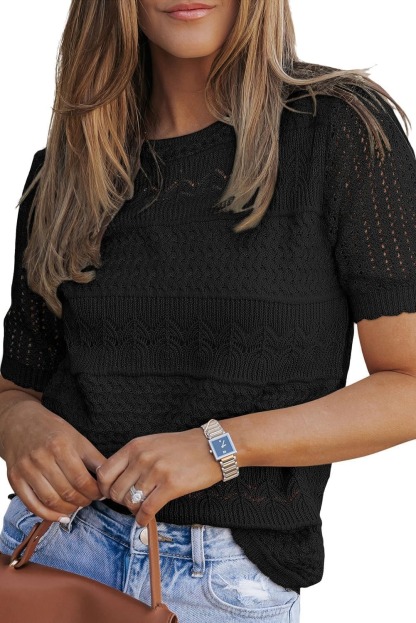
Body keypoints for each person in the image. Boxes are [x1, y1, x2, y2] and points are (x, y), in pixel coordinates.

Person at [0, 1, 415, 621]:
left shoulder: (340, 130)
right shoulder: (66, 170)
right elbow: (16, 386)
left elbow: (408, 384)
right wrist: (18, 425)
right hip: (52, 547)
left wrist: (219, 447)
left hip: (220, 585)